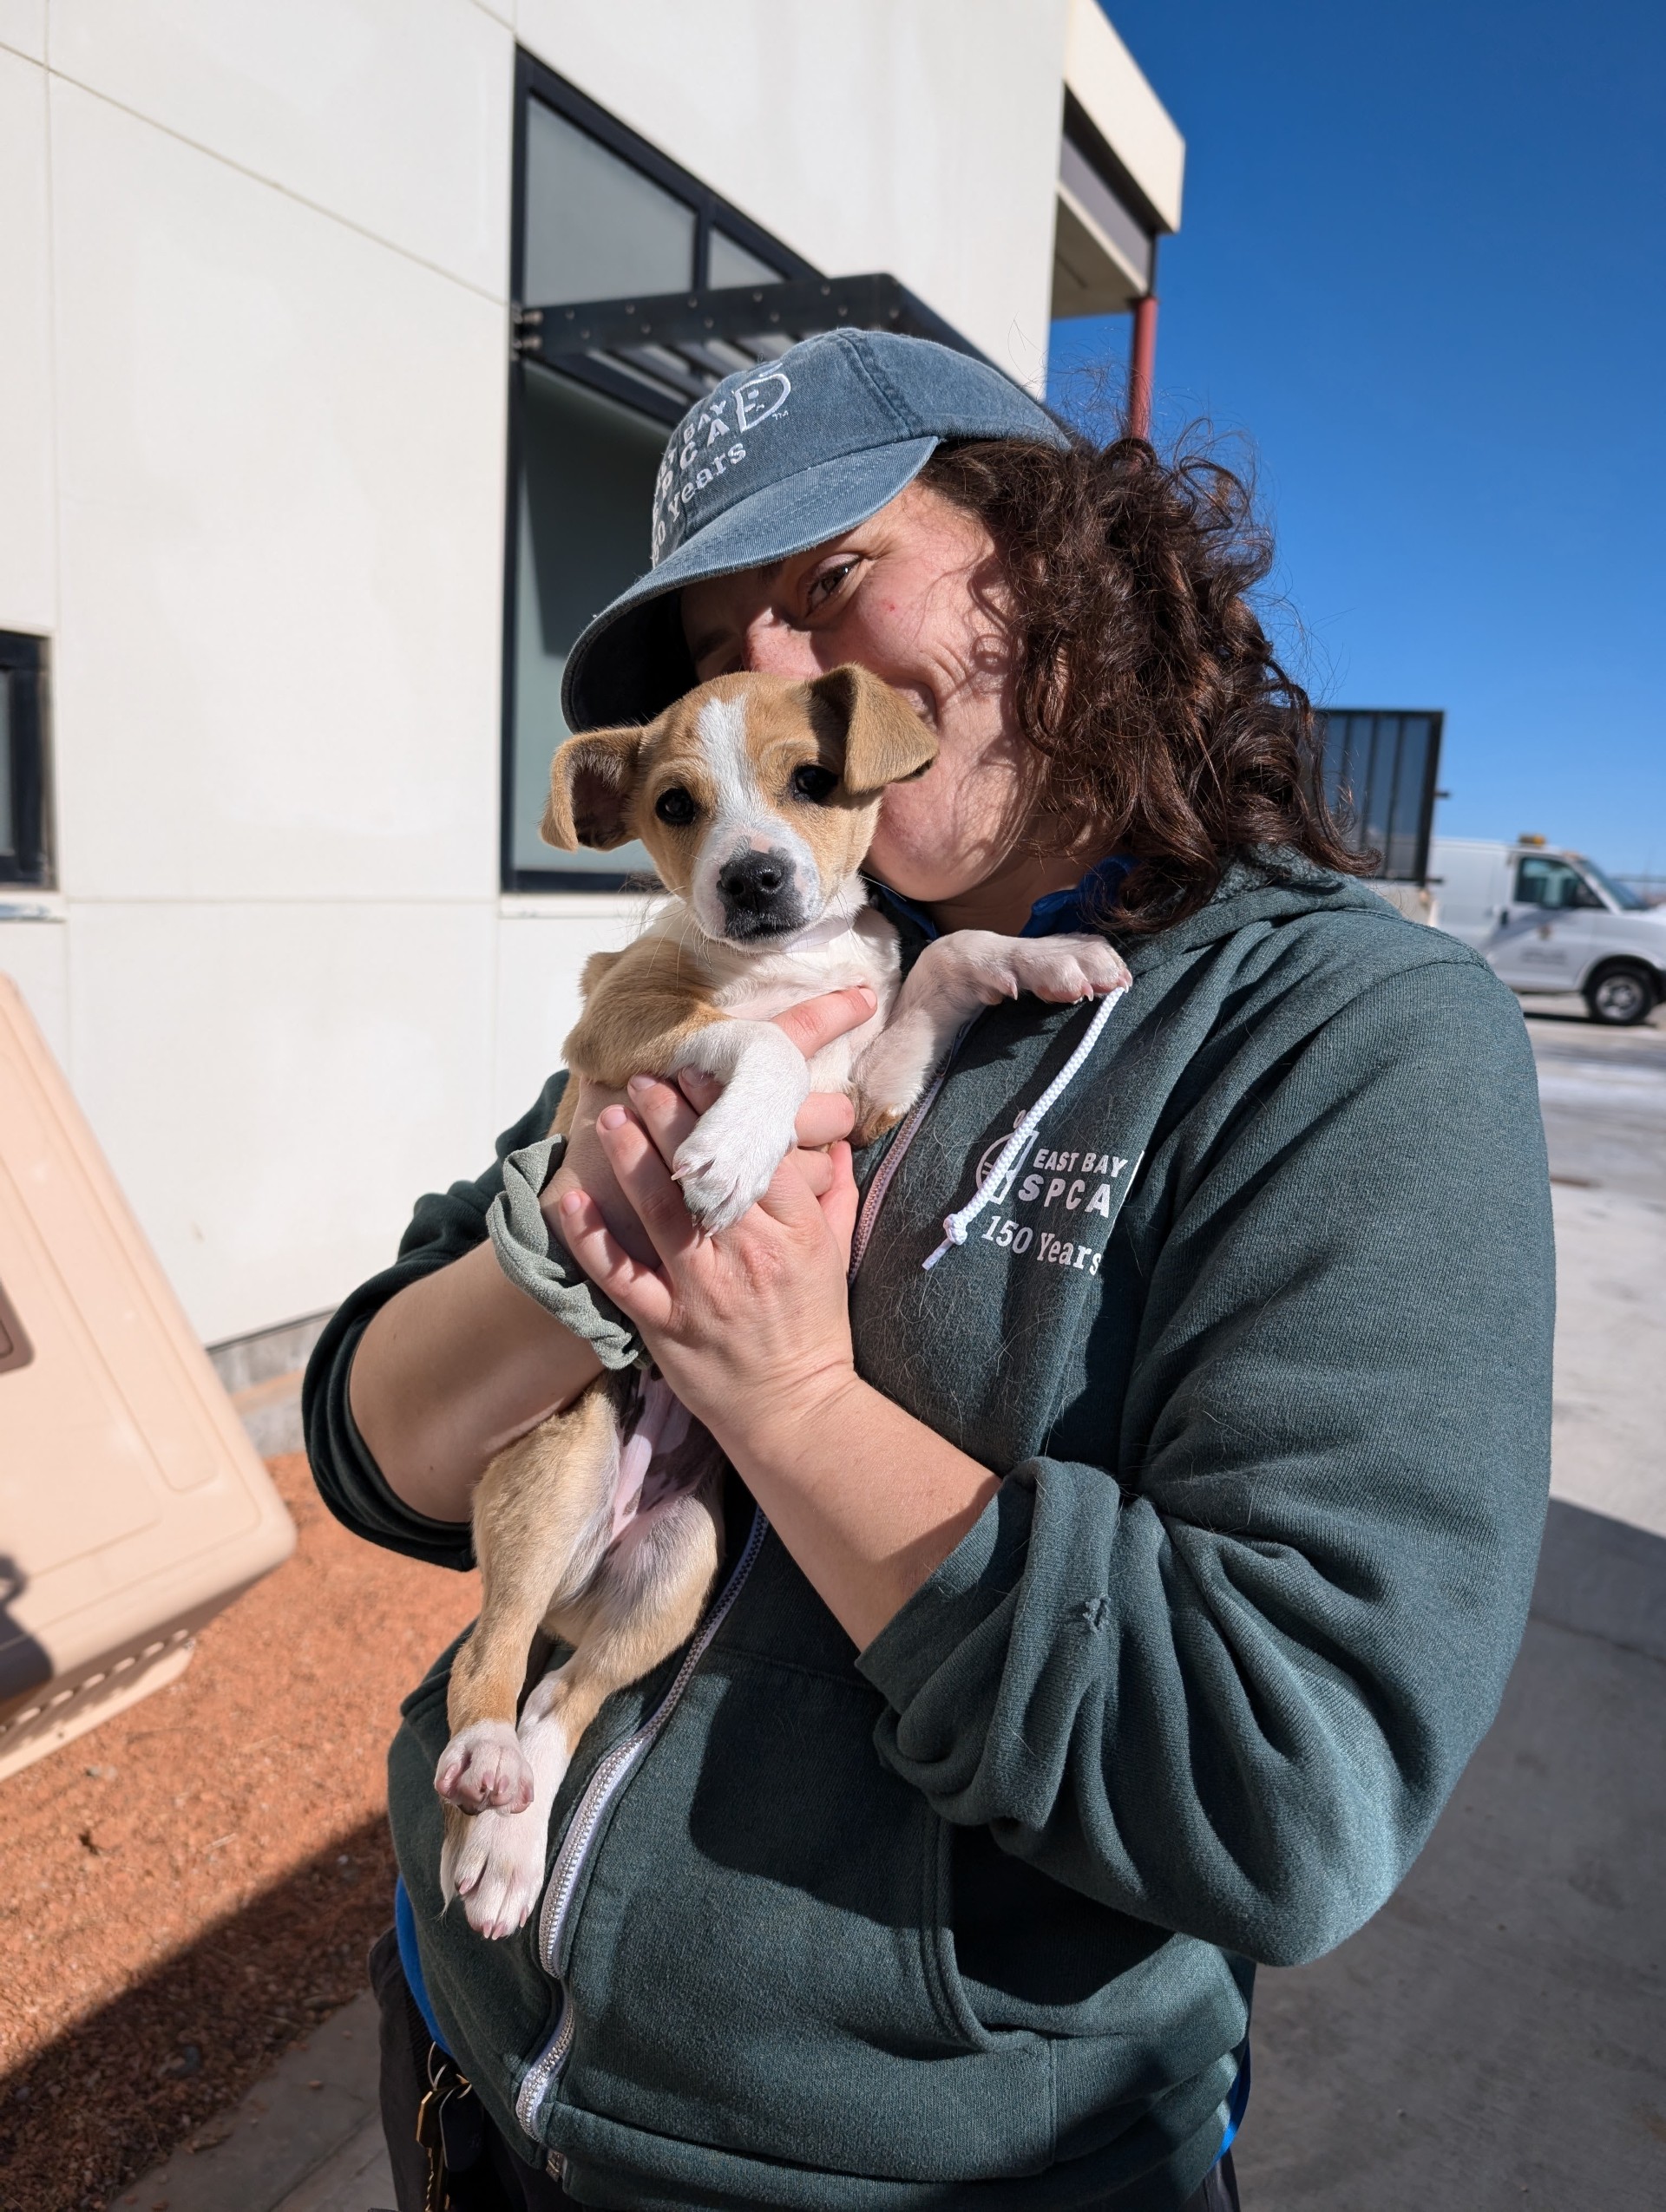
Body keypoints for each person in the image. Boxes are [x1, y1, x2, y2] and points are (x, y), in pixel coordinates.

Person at [305, 330, 1553, 2212]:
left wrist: (787, 1396)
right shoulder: (744, 963)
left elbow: (1286, 1787)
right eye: (729, 641)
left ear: (1054, 552)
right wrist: (573, 1257)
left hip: (916, 2173)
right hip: (462, 2058)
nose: (777, 674)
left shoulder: (1349, 1038)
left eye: (827, 581)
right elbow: (373, 1442)